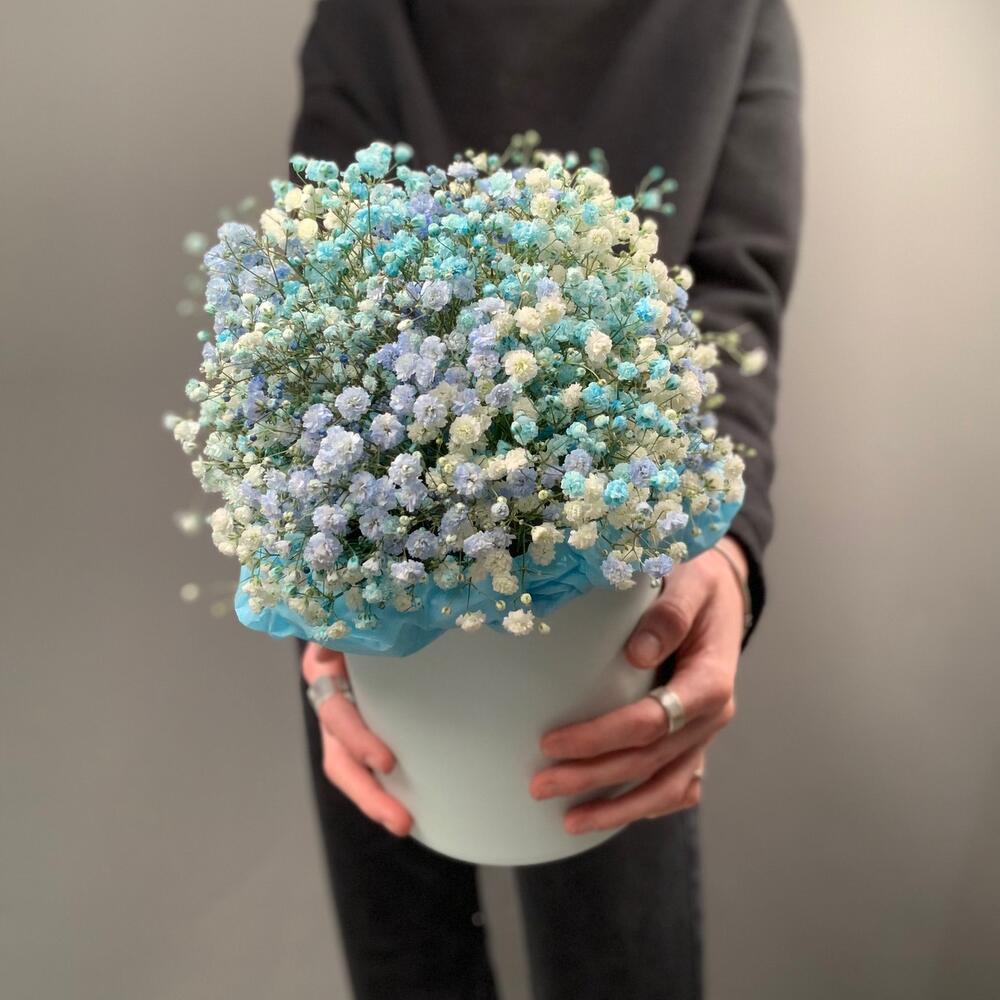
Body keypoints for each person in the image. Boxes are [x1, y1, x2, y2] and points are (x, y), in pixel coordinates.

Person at [290, 1, 802, 997]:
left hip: (623, 568)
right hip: (375, 549)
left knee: (617, 957)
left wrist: (725, 551)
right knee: (407, 962)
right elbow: (321, 287)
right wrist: (313, 610)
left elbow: (732, 307)